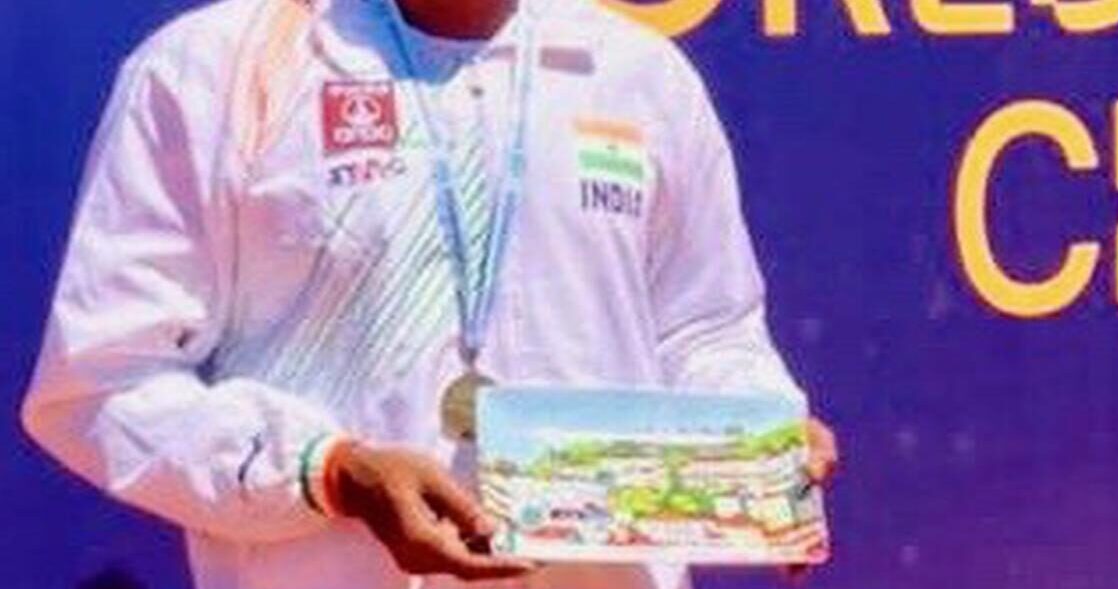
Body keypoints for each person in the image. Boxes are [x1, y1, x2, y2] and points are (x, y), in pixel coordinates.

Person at [21, 0, 839, 587]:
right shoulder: (211, 70)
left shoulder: (638, 75)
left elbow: (706, 329)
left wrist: (758, 435)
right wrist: (330, 471)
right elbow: (100, 383)